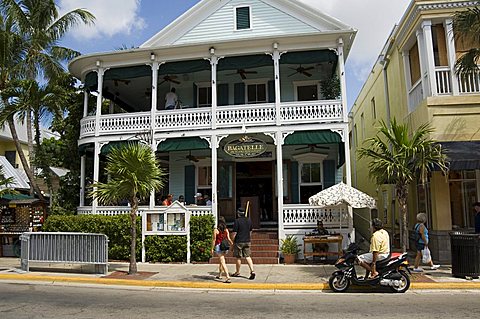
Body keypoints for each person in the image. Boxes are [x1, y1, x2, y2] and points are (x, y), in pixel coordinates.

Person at [231, 208, 255, 280]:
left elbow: (234, 233)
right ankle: (252, 271)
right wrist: (248, 237)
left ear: (238, 214)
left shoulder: (237, 221)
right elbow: (251, 231)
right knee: (248, 256)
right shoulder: (249, 220)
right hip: (247, 240)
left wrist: (232, 241)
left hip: (239, 241)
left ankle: (237, 272)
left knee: (238, 257)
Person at [211, 216, 233, 283]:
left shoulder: (216, 230)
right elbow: (228, 238)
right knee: (221, 261)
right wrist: (232, 244)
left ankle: (227, 276)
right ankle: (220, 274)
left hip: (219, 246)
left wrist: (212, 248)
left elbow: (214, 240)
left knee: (222, 261)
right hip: (225, 246)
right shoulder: (226, 230)